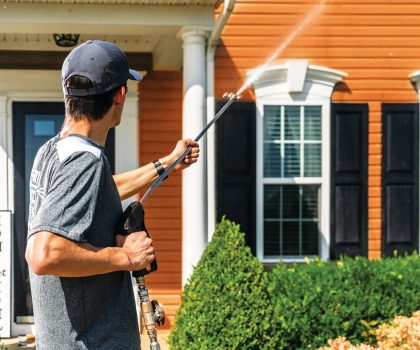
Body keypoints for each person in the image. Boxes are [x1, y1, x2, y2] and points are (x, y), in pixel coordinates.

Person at [25, 40, 199, 350]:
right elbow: (44, 254)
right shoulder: (84, 161)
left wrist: (165, 165)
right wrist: (126, 257)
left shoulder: (52, 151)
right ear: (120, 95)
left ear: (68, 95)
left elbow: (98, 191)